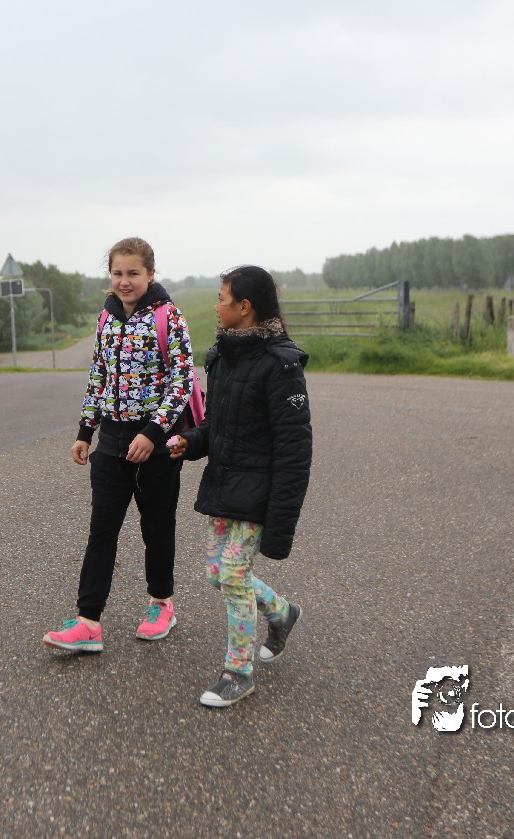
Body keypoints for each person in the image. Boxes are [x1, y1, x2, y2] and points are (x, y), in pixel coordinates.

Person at [43, 237, 198, 653]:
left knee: (157, 528)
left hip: (156, 446)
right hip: (111, 443)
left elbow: (182, 381)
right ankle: (88, 622)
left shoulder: (169, 316)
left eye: (133, 273)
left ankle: (161, 603)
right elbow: (98, 374)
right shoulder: (106, 317)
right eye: (117, 273)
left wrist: (153, 433)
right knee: (102, 531)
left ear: (151, 274)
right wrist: (85, 431)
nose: (124, 281)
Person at [167, 265, 312, 708]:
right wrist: (189, 441)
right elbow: (216, 425)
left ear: (244, 307)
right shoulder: (222, 357)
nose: (216, 306)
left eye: (222, 298)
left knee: (232, 574)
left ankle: (238, 673)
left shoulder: (281, 366)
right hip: (226, 486)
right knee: (218, 573)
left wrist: (281, 523)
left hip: (259, 493)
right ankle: (282, 613)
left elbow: (295, 451)